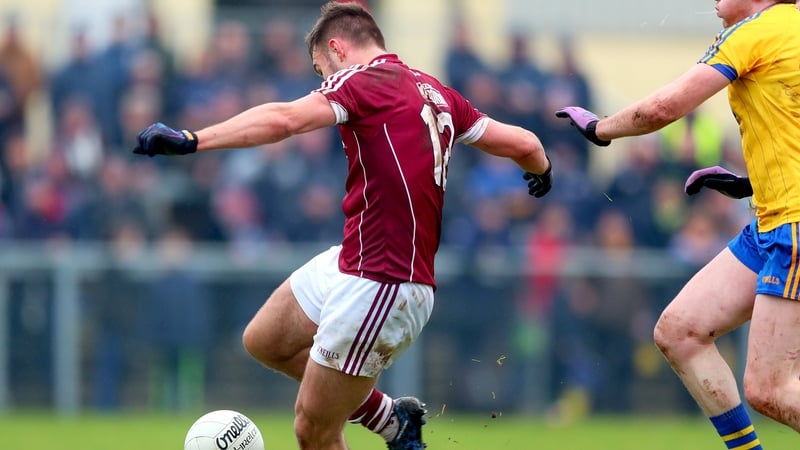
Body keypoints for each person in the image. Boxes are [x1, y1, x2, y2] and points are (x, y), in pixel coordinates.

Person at [131, 2, 553, 449]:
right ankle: (393, 420)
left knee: (313, 430)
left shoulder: (362, 79)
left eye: (320, 68)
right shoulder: (436, 92)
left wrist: (194, 139)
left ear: (337, 48)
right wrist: (541, 171)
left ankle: (386, 423)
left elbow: (285, 119)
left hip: (383, 282)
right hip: (354, 262)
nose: (324, 80)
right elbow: (525, 143)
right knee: (264, 341)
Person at [555, 1, 800, 449]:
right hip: (772, 222)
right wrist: (752, 182)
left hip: (793, 225)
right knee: (680, 331)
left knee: (771, 388)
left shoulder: (755, 31)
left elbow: (665, 108)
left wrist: (601, 129)